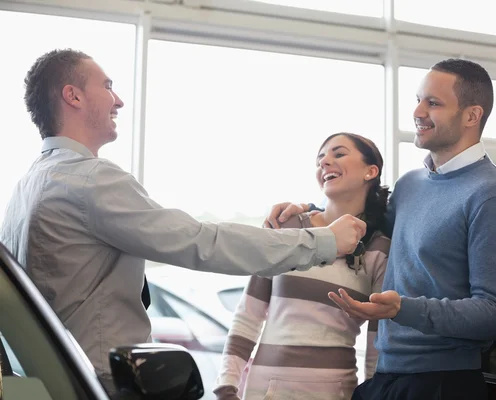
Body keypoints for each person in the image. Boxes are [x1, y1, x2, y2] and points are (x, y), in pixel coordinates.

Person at [0, 49, 366, 379]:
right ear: (73, 95)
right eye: (108, 86)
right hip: (100, 382)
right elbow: (201, 242)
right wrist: (324, 241)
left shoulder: (26, 187)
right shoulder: (89, 180)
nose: (119, 100)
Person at [264, 58, 496, 400]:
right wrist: (307, 211)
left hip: (443, 382)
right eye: (418, 99)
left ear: (471, 116)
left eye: (433, 103)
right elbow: (363, 227)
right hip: (387, 377)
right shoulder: (411, 184)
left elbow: (493, 315)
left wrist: (402, 308)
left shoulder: (492, 197)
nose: (417, 111)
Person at [214, 133, 391, 400]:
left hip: (336, 391)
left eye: (338, 154)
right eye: (320, 159)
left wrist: (374, 393)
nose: (325, 163)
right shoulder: (287, 227)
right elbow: (249, 314)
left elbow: (378, 342)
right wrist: (227, 385)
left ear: (371, 171)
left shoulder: (379, 248)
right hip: (266, 391)